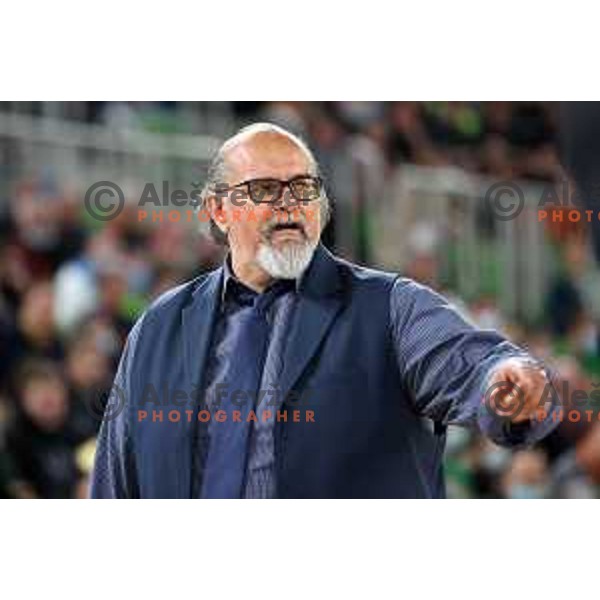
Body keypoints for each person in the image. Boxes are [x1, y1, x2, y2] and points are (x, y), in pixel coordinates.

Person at [90, 122, 557, 499]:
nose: (290, 203)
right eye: (266, 190)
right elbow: (116, 481)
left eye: (304, 188)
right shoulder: (159, 326)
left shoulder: (390, 307)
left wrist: (503, 380)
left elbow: (470, 364)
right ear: (218, 209)